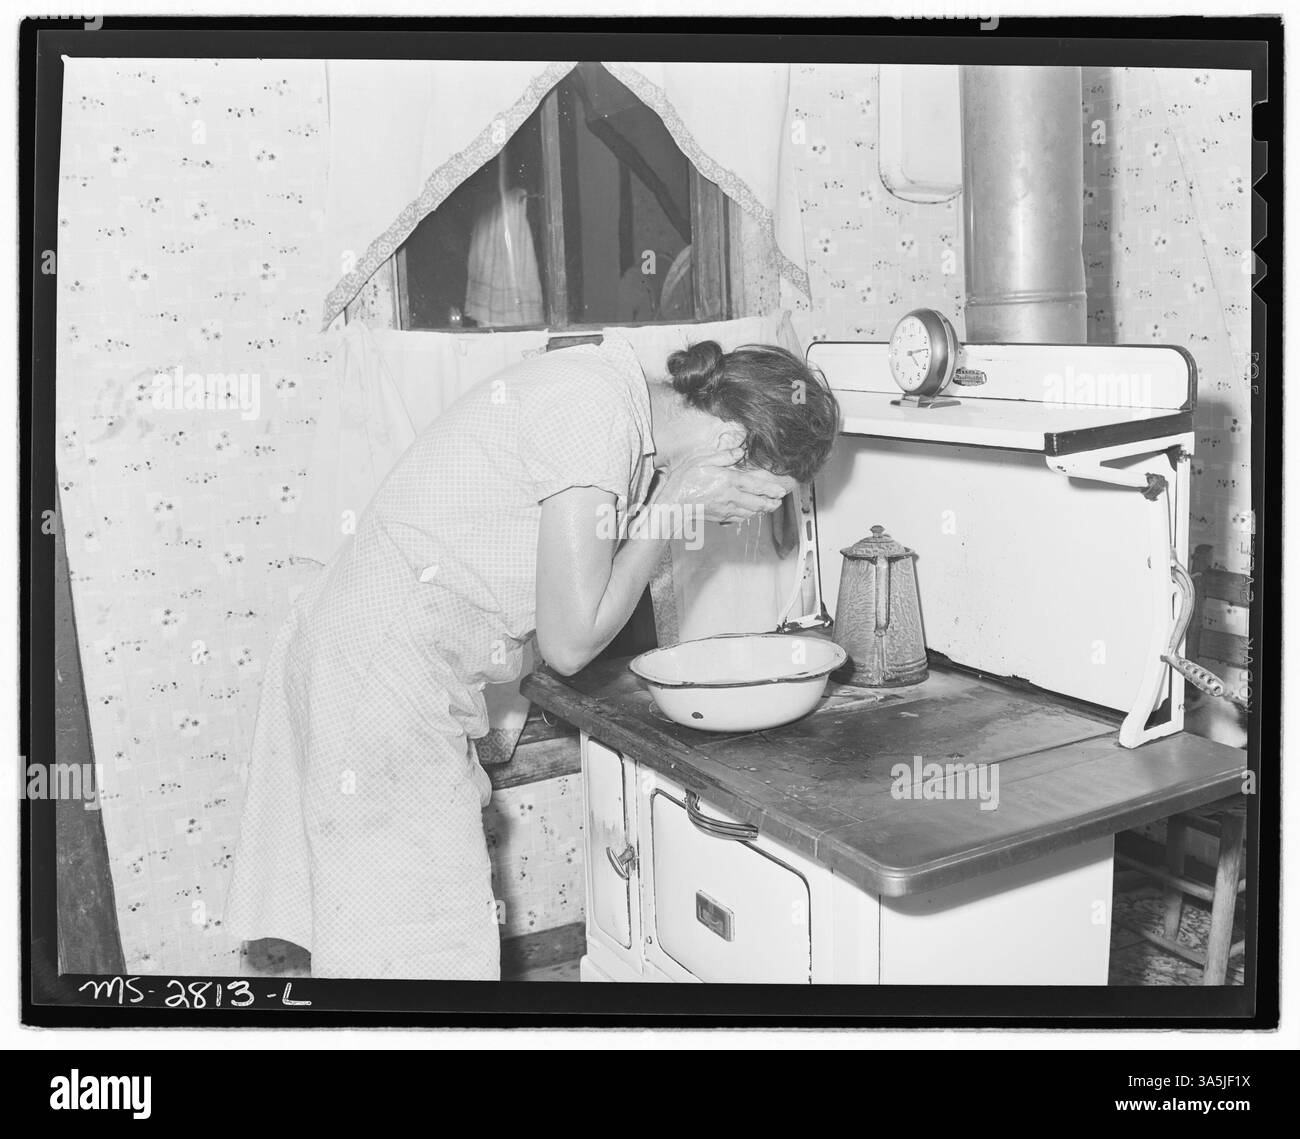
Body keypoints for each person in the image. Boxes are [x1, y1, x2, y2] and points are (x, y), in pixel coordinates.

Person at [225, 332, 840, 979]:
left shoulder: (613, 402)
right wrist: (672, 510)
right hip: (380, 678)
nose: (737, 519)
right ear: (730, 445)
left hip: (369, 659)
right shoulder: (599, 415)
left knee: (392, 941)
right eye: (756, 499)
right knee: (423, 951)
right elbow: (570, 642)